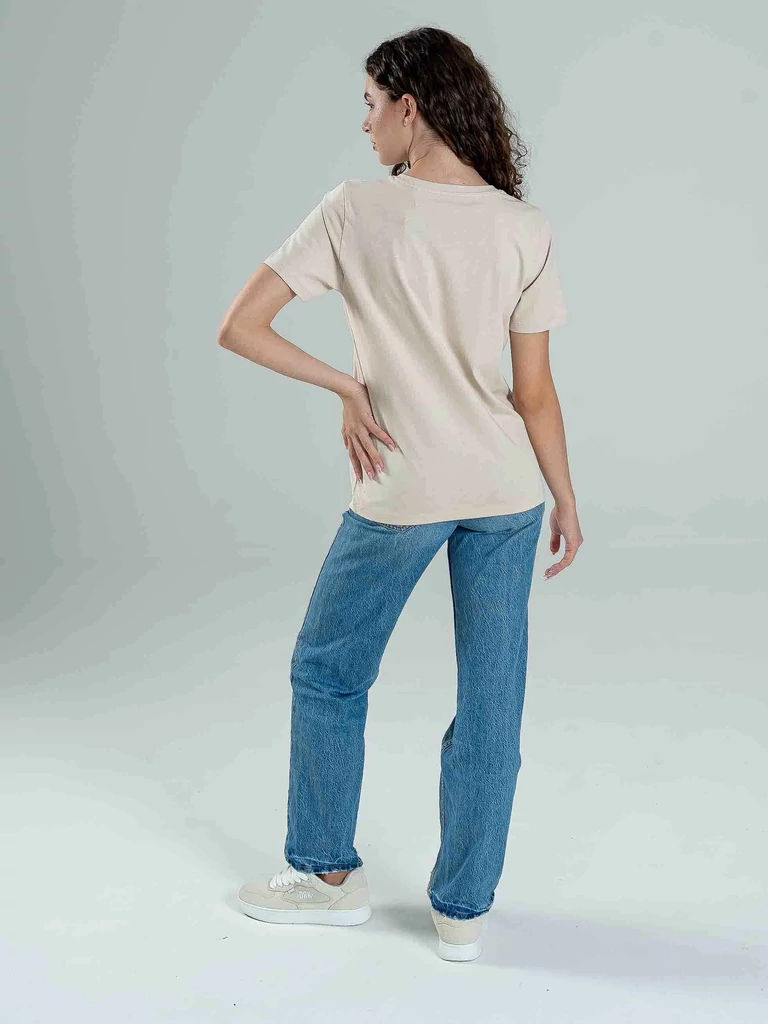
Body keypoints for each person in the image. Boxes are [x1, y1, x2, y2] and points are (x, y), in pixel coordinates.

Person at [218, 26, 583, 962]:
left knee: (328, 671)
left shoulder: (354, 210)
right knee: (493, 701)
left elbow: (240, 326)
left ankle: (326, 877)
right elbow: (534, 393)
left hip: (403, 483)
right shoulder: (522, 225)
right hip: (506, 489)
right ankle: (464, 912)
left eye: (371, 105)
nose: (366, 125)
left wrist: (349, 388)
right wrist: (566, 498)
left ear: (409, 108)